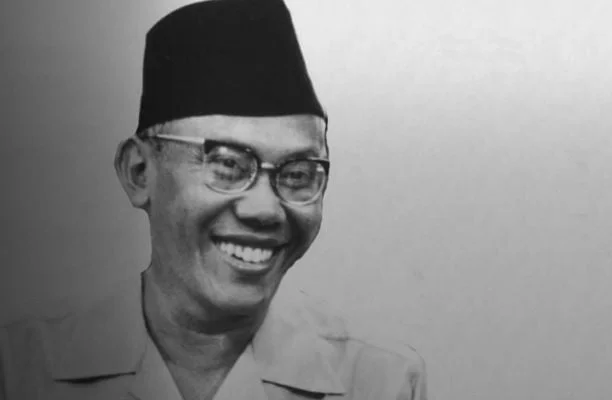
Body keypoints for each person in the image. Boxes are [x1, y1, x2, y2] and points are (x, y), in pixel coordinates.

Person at [0, 0, 427, 399]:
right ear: (139, 172)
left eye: (297, 174)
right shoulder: (20, 368)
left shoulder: (379, 380)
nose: (264, 209)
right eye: (227, 165)